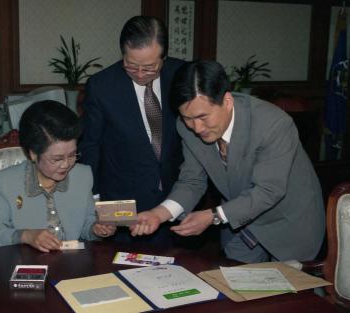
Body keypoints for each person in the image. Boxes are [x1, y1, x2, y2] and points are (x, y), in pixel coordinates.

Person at [131, 60, 325, 263]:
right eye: (187, 118)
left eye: (203, 117)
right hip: (239, 224)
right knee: (236, 288)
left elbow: (268, 191)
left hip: (287, 223)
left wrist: (213, 216)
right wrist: (158, 214)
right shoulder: (186, 127)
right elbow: (192, 181)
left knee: (290, 292)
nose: (196, 128)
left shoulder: (273, 124)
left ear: (228, 101)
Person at [79, 16, 185, 244]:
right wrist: (96, 202)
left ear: (164, 57)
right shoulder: (102, 86)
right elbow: (90, 146)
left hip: (173, 199)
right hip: (122, 201)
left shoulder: (182, 75)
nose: (139, 74)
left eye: (149, 68)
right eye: (131, 66)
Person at [0, 100, 116, 252]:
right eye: (57, 159)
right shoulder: (4, 182)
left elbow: (87, 224)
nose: (66, 164)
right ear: (33, 154)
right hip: (27, 264)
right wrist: (26, 236)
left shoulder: (82, 175)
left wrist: (96, 229)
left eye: (72, 155)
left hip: (74, 265)